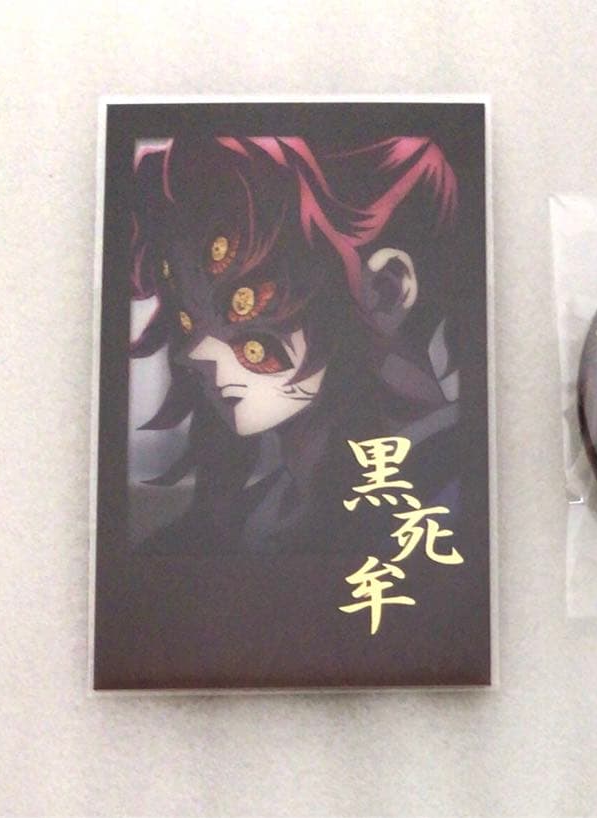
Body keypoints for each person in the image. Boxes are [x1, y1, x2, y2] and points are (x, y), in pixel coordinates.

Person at [127, 134, 461, 552]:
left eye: (242, 304)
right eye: (188, 319)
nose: (192, 353)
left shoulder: (453, 491)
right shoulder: (264, 512)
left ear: (385, 290)